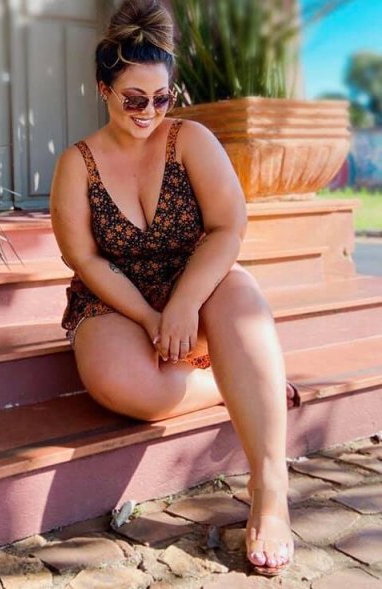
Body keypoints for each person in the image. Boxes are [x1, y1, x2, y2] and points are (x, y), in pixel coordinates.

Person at [49, 0, 300, 577]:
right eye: (134, 99)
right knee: (120, 382)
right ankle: (230, 383)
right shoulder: (77, 164)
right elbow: (84, 257)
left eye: (161, 99)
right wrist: (147, 316)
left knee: (245, 303)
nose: (148, 112)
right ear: (104, 89)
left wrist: (184, 303)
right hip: (115, 294)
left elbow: (228, 227)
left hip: (198, 281)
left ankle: (269, 490)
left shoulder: (189, 139)